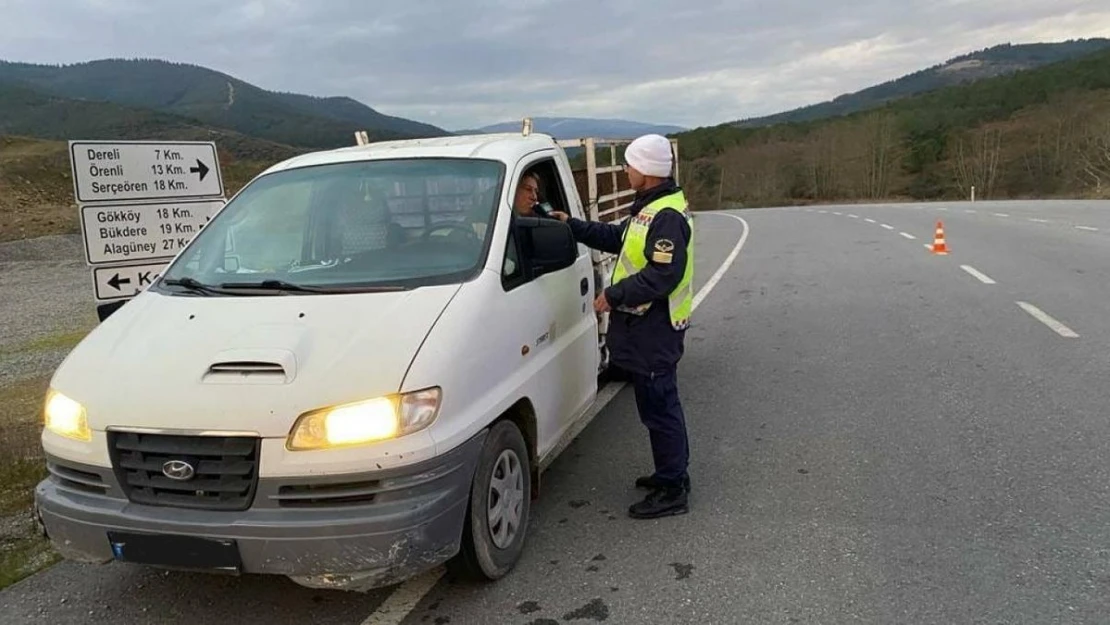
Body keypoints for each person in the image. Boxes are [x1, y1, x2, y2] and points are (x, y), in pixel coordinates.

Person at [550, 134, 694, 520]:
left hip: (656, 327)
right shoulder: (651, 207)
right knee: (654, 405)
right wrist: (573, 225)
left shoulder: (666, 217)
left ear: (646, 171)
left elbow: (662, 274)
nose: (625, 170)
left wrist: (613, 295)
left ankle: (673, 487)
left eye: (629, 165)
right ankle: (669, 474)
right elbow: (620, 239)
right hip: (646, 327)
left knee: (661, 407)